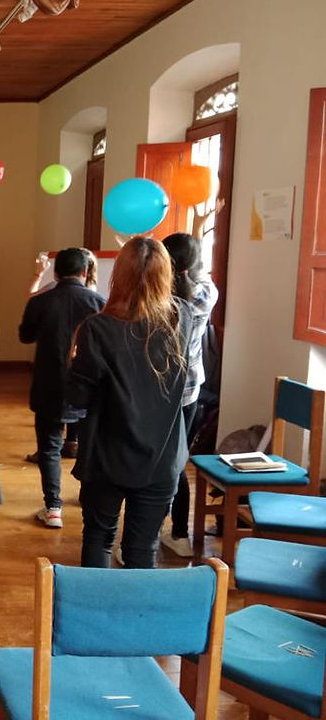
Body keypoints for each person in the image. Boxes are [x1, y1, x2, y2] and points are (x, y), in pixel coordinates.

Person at [67, 237, 193, 569]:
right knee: (143, 548)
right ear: (166, 275)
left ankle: (92, 603)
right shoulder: (183, 316)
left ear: (118, 276)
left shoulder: (97, 328)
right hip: (163, 453)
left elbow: (77, 398)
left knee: (98, 537)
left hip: (107, 454)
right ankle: (135, 605)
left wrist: (74, 362)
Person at [18, 248, 105, 529]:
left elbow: (25, 336)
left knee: (49, 448)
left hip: (49, 384)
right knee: (89, 446)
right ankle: (87, 497)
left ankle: (53, 507)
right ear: (85, 272)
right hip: (90, 387)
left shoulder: (40, 302)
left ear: (55, 273)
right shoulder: (99, 303)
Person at [159, 232, 218, 557]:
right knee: (178, 460)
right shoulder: (207, 293)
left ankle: (149, 532)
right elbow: (199, 276)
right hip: (190, 390)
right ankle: (179, 534)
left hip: (158, 390)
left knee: (159, 461)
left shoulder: (159, 297)